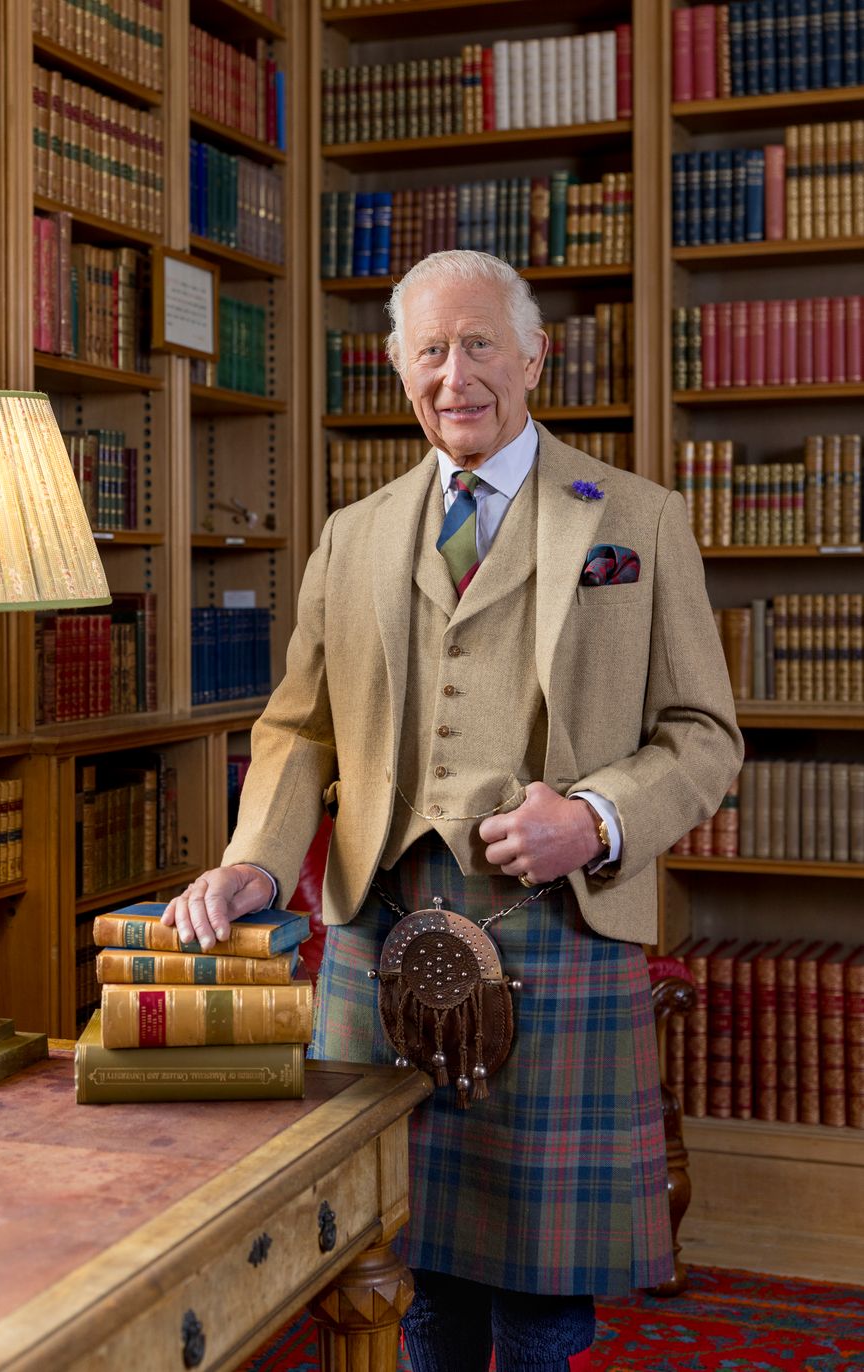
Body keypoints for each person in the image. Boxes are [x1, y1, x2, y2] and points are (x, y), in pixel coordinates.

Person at [162, 251, 743, 1372]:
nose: (455, 372)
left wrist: (598, 817)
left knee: (538, 1300)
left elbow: (700, 734)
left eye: (480, 343)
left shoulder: (638, 518)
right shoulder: (353, 534)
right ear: (397, 369)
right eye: (428, 349)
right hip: (375, 931)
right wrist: (253, 862)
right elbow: (299, 728)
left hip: (555, 928)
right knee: (391, 1266)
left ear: (533, 355)